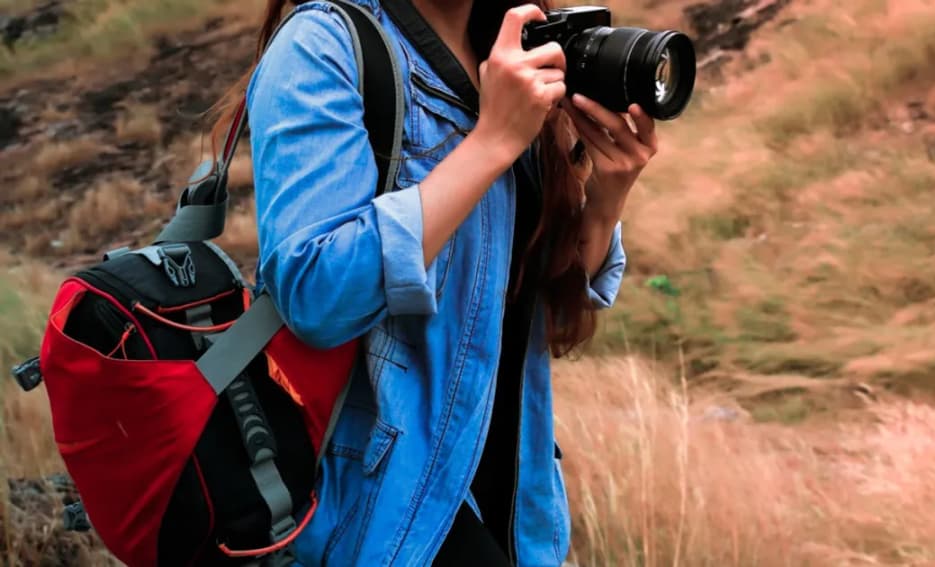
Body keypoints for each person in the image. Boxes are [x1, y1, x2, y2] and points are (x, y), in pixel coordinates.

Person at [219, 0, 659, 564]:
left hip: (515, 506)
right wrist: (492, 142)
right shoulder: (322, 46)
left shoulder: (514, 50)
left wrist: (605, 199)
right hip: (385, 511)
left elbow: (534, 320)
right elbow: (315, 295)